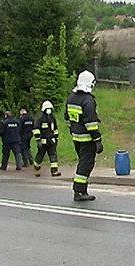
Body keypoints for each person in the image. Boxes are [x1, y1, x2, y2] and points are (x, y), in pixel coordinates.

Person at [66, 71, 103, 201]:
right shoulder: (88, 101)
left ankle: (81, 189)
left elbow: (67, 118)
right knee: (86, 165)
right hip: (87, 140)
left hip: (76, 138)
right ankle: (79, 191)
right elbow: (91, 123)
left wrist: (72, 130)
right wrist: (97, 140)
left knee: (82, 163)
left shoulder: (71, 98)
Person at [32, 100, 62, 177]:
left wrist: (56, 138)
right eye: (47, 109)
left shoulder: (52, 118)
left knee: (53, 155)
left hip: (51, 141)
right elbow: (36, 129)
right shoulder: (40, 119)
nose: (49, 111)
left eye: (50, 109)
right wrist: (38, 140)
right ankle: (37, 169)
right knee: (40, 156)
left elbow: (55, 129)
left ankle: (54, 171)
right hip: (43, 141)